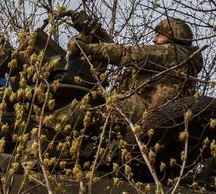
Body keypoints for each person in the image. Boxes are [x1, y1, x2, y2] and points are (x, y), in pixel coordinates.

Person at [67, 16, 203, 132]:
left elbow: (129, 55)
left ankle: (45, 124)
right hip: (149, 115)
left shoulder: (174, 53)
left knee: (82, 112)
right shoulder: (181, 61)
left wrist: (87, 48)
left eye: (159, 35)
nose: (154, 40)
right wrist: (103, 38)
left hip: (145, 111)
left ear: (173, 37)